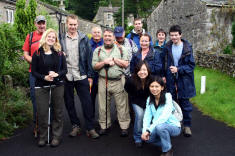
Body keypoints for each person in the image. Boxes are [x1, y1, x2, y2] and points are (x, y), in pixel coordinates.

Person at [60, 14, 99, 139]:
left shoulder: (83, 38)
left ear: (78, 25)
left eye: (74, 24)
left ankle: (90, 128)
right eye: (70, 24)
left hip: (81, 75)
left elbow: (89, 57)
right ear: (67, 24)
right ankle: (75, 126)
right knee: (69, 103)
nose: (72, 27)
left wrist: (90, 76)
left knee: (87, 102)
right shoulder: (60, 38)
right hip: (67, 76)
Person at [31, 28, 67, 147]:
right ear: (45, 38)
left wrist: (57, 74)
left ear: (55, 40)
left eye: (53, 37)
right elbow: (34, 72)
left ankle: (56, 136)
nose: (51, 39)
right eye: (49, 36)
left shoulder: (60, 53)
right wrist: (44, 77)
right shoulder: (37, 53)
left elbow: (64, 70)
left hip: (57, 85)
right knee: (42, 112)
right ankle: (42, 136)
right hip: (41, 86)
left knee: (58, 112)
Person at [92, 28, 131, 137]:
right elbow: (94, 66)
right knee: (103, 106)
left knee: (122, 105)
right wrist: (104, 62)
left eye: (110, 36)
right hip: (103, 81)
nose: (108, 38)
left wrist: (114, 59)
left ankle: (124, 126)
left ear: (114, 37)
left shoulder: (122, 49)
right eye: (106, 36)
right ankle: (104, 126)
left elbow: (126, 64)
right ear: (103, 38)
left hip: (119, 80)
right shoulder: (98, 50)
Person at [163, 25, 196, 137]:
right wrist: (164, 75)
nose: (174, 37)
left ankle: (187, 126)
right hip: (170, 79)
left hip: (184, 80)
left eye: (176, 35)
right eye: (172, 35)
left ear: (180, 35)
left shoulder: (187, 48)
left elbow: (191, 66)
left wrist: (178, 69)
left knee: (185, 104)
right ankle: (176, 123)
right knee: (172, 102)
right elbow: (164, 63)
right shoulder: (167, 47)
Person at [141, 76, 181, 156]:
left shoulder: (168, 97)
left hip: (173, 126)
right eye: (152, 86)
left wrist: (149, 130)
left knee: (160, 127)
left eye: (157, 86)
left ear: (162, 87)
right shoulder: (149, 99)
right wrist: (145, 131)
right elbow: (147, 117)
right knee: (147, 139)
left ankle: (167, 151)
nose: (154, 89)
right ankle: (167, 143)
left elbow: (163, 117)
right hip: (157, 126)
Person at [22, 15, 46, 137]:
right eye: (39, 23)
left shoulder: (49, 35)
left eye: (43, 23)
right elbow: (25, 54)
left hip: (47, 74)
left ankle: (47, 125)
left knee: (48, 100)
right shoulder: (30, 36)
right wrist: (35, 62)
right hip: (34, 73)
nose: (41, 25)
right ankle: (37, 126)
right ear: (35, 24)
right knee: (36, 100)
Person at [124, 61, 151, 148]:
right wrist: (133, 97)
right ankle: (137, 137)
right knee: (140, 115)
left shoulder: (152, 79)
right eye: (140, 70)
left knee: (148, 116)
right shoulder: (131, 80)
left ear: (148, 70)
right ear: (136, 71)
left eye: (144, 70)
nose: (142, 72)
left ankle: (146, 133)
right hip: (136, 100)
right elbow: (127, 88)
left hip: (148, 101)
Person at [89, 26, 104, 116]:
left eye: (98, 32)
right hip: (91, 76)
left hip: (103, 76)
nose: (97, 34)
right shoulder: (87, 44)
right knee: (91, 99)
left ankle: (103, 120)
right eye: (95, 32)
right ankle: (91, 121)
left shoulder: (106, 43)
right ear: (91, 33)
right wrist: (88, 75)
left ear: (101, 33)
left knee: (103, 100)